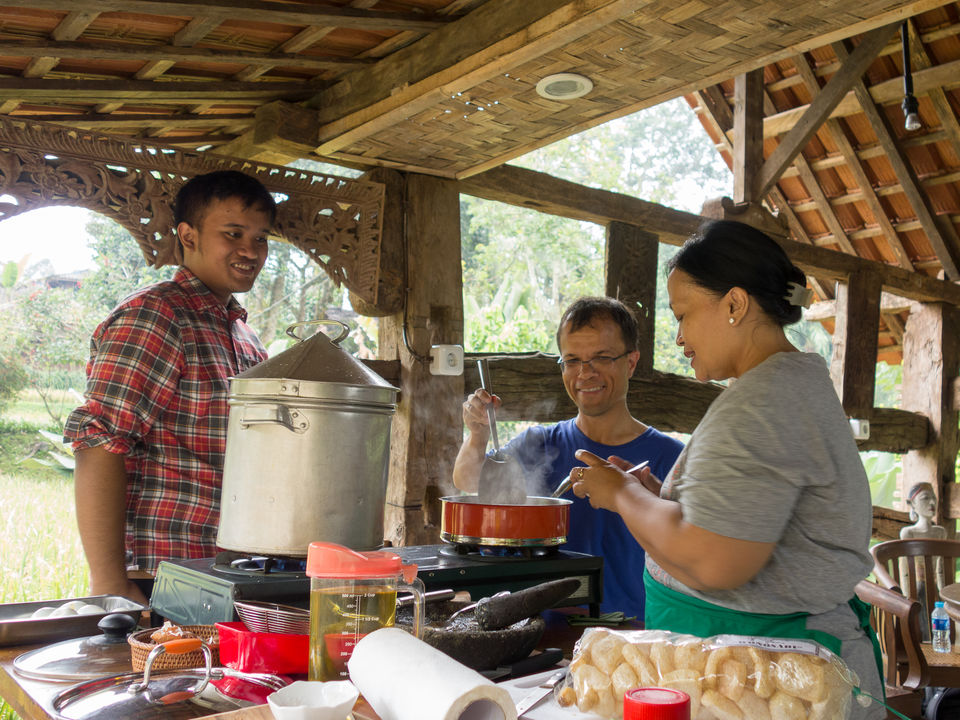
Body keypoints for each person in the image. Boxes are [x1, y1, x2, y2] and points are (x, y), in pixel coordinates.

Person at [570, 220, 883, 718]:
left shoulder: (763, 403)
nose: (679, 337)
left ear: (735, 304)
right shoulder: (783, 386)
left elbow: (714, 560)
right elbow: (738, 521)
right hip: (763, 675)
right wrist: (658, 496)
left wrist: (623, 496)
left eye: (683, 315)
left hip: (774, 685)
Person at [64, 170, 275, 605]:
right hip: (160, 575)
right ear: (188, 235)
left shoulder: (245, 338)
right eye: (233, 233)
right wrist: (110, 584)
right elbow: (100, 442)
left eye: (260, 238)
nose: (250, 251)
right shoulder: (157, 316)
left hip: (225, 571)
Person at [452, 297, 684, 619]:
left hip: (635, 633)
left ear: (631, 362)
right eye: (572, 360)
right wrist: (477, 434)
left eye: (601, 358)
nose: (585, 373)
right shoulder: (541, 444)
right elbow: (469, 480)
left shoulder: (671, 458)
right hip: (545, 631)